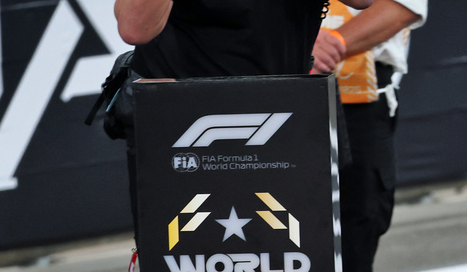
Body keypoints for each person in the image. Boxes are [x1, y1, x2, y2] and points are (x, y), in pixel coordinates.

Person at [112, 0, 374, 239]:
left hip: (282, 122)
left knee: (298, 269)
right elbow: (135, 28)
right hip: (182, 128)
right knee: (180, 268)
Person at [309, 0, 427, 272]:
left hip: (355, 105)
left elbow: (403, 6)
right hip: (255, 92)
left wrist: (331, 42)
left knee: (346, 268)